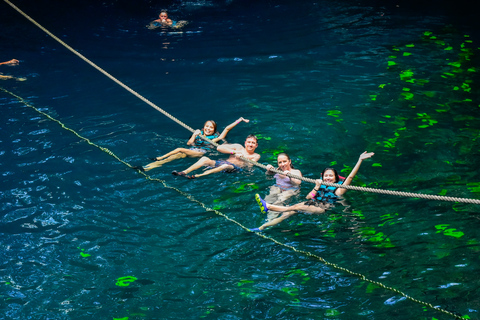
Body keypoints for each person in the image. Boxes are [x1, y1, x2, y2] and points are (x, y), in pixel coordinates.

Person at [251, 151, 374, 231]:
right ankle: (262, 227)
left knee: (297, 206)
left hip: (323, 208)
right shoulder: (320, 185)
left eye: (331, 176)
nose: (328, 178)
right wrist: (316, 186)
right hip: (311, 204)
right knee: (287, 214)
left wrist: (360, 160)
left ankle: (270, 207)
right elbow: (308, 197)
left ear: (336, 178)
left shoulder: (339, 190)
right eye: (326, 176)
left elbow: (350, 177)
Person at [137, 117, 249, 172]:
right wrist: (194, 135)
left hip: (200, 153)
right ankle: (147, 168)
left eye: (211, 127)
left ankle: (157, 158)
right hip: (191, 149)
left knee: (180, 149)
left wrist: (240, 120)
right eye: (207, 126)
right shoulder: (198, 133)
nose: (208, 128)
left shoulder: (216, 138)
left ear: (214, 130)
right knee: (171, 158)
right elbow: (189, 143)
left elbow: (227, 128)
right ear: (204, 127)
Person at [172, 134, 260, 179]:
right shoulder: (238, 147)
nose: (250, 144)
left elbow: (249, 166)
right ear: (245, 143)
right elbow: (219, 148)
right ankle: (183, 172)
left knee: (225, 166)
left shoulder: (256, 155)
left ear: (256, 145)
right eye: (249, 142)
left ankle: (197, 175)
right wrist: (234, 152)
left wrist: (243, 157)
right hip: (223, 162)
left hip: (235, 168)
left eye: (253, 143)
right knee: (204, 158)